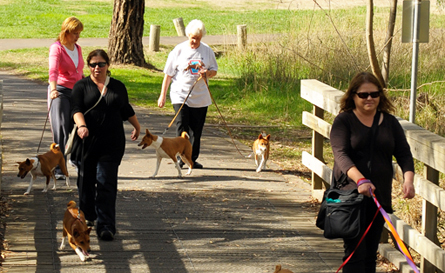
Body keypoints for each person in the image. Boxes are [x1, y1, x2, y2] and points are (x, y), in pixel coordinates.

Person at [330, 72, 416, 273]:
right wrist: (360, 180)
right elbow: (341, 155)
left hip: (379, 196)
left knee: (371, 253)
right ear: (353, 96)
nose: (369, 98)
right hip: (350, 196)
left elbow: (404, 153)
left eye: (374, 94)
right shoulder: (344, 121)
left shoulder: (390, 122)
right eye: (363, 95)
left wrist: (408, 180)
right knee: (355, 252)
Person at [70, 49, 141, 241]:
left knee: (106, 183)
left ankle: (106, 225)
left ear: (108, 65)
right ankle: (87, 218)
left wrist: (137, 126)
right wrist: (81, 125)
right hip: (87, 144)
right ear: (88, 66)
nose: (96, 68)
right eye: (92, 64)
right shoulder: (81, 86)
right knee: (86, 184)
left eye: (100, 64)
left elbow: (125, 108)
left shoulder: (118, 86)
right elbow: (76, 109)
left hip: (112, 143)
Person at [158, 19, 218, 169]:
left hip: (201, 97)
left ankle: (192, 159)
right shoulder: (179, 50)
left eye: (197, 38)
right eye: (192, 38)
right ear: (188, 36)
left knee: (196, 131)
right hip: (180, 94)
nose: (194, 41)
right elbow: (168, 74)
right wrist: (162, 95)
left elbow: (214, 71)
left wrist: (207, 73)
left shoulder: (207, 50)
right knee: (182, 126)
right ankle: (180, 157)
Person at [48, 16, 84, 179]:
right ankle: (57, 168)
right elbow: (53, 70)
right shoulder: (57, 48)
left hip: (75, 91)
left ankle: (75, 159)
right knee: (61, 129)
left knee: (77, 127)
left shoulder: (78, 48)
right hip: (60, 91)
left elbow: (80, 71)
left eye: (79, 33)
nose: (77, 36)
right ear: (66, 32)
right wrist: (53, 89)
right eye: (75, 33)